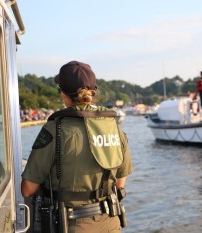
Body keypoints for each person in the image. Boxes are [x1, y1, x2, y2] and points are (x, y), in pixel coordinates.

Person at [21, 61, 133, 233]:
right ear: (93, 92)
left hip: (72, 225)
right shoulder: (113, 127)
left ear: (63, 94)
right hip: (110, 222)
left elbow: (28, 189)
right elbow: (119, 183)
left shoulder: (54, 130)